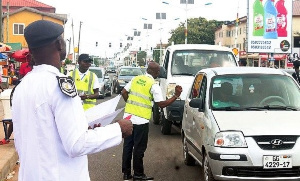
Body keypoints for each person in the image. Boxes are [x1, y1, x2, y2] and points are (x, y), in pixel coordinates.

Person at [12, 20, 133, 181]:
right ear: (59, 45)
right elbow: (77, 144)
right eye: (62, 39)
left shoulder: (22, 86)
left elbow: (44, 133)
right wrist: (118, 129)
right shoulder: (59, 84)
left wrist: (85, 129)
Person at [121, 61, 182, 181]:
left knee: (128, 147)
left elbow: (123, 92)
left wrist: (129, 104)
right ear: (156, 72)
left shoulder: (136, 79)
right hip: (141, 121)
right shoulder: (153, 85)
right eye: (159, 71)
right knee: (139, 148)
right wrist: (175, 96)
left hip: (127, 119)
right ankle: (138, 174)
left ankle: (127, 175)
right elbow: (162, 105)